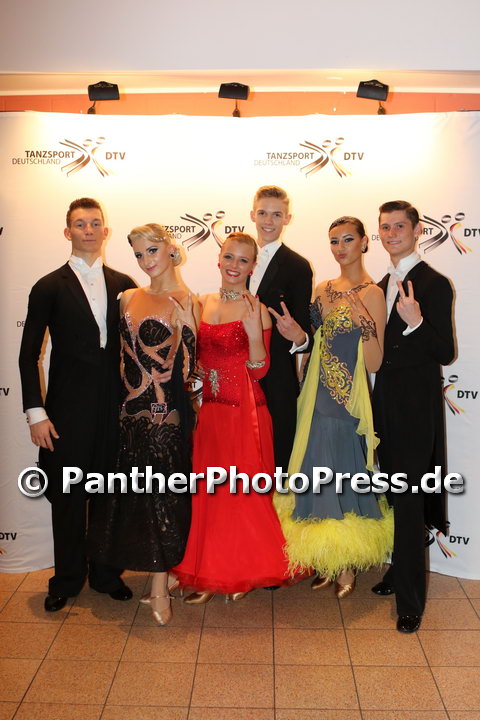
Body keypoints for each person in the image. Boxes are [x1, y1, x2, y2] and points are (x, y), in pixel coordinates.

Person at [18, 198, 136, 612]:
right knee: (68, 498)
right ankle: (66, 579)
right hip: (65, 412)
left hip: (115, 410)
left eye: (95, 223)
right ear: (68, 232)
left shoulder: (125, 284)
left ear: (106, 231)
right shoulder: (48, 286)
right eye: (80, 224)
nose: (88, 230)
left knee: (109, 494)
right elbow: (28, 355)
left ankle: (106, 575)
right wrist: (36, 413)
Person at [274, 217, 393, 597]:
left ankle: (346, 564)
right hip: (313, 392)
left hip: (345, 400)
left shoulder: (373, 293)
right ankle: (327, 557)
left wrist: (365, 323)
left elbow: (374, 362)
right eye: (334, 241)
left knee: (341, 471)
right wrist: (297, 337)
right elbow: (313, 342)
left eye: (347, 239)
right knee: (315, 472)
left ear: (364, 243)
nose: (340, 248)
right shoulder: (322, 289)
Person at [88, 223, 199, 625]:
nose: (145, 261)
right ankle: (158, 577)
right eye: (138, 254)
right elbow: (119, 358)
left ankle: (159, 587)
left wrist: (187, 331)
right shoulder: (128, 298)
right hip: (127, 415)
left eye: (151, 250)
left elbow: (187, 372)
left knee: (163, 500)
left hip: (163, 415)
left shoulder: (187, 300)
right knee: (135, 499)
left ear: (170, 248)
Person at [173, 232, 293, 602]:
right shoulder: (201, 302)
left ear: (253, 266)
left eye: (243, 260)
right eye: (229, 257)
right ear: (219, 259)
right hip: (211, 413)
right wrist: (186, 330)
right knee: (210, 496)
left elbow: (260, 370)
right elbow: (193, 363)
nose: (234, 266)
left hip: (245, 413)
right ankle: (213, 573)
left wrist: (255, 335)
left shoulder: (256, 309)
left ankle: (239, 574)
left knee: (241, 496)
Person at [371, 200, 454, 633]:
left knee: (408, 498)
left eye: (399, 226)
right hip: (383, 400)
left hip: (416, 409)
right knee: (390, 491)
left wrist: (417, 322)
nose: (391, 234)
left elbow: (446, 352)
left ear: (418, 229)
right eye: (385, 227)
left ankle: (411, 601)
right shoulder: (380, 283)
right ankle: (396, 569)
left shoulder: (434, 283)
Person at [249, 186, 312, 472]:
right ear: (252, 215)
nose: (268, 221)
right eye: (263, 213)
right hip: (239, 374)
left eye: (277, 214)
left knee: (277, 458)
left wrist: (298, 337)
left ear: (288, 218)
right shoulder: (237, 257)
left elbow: (305, 335)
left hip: (277, 377)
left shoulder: (298, 266)